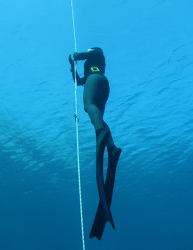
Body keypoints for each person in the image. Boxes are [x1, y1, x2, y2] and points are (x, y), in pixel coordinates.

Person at [69, 47, 121, 239]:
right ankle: (111, 148)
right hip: (102, 85)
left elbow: (79, 55)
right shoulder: (94, 64)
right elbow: (78, 81)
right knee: (96, 116)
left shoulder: (96, 53)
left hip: (96, 80)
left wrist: (74, 57)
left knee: (88, 106)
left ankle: (100, 134)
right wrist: (71, 67)